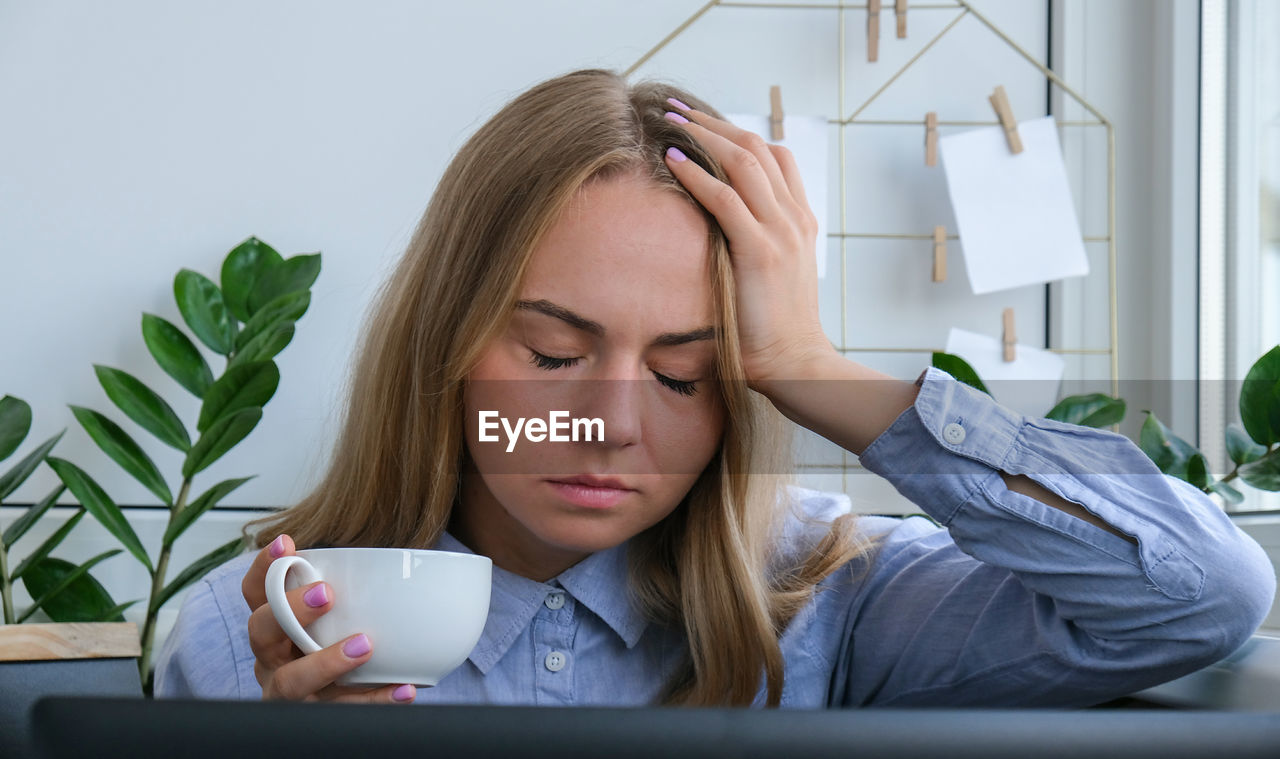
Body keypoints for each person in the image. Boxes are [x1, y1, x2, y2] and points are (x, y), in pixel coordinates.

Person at [155, 68, 1275, 708]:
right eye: (551, 359)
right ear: (443, 345)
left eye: (685, 372)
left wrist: (809, 366)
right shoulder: (257, 630)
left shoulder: (829, 596)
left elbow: (1199, 592)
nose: (615, 425)